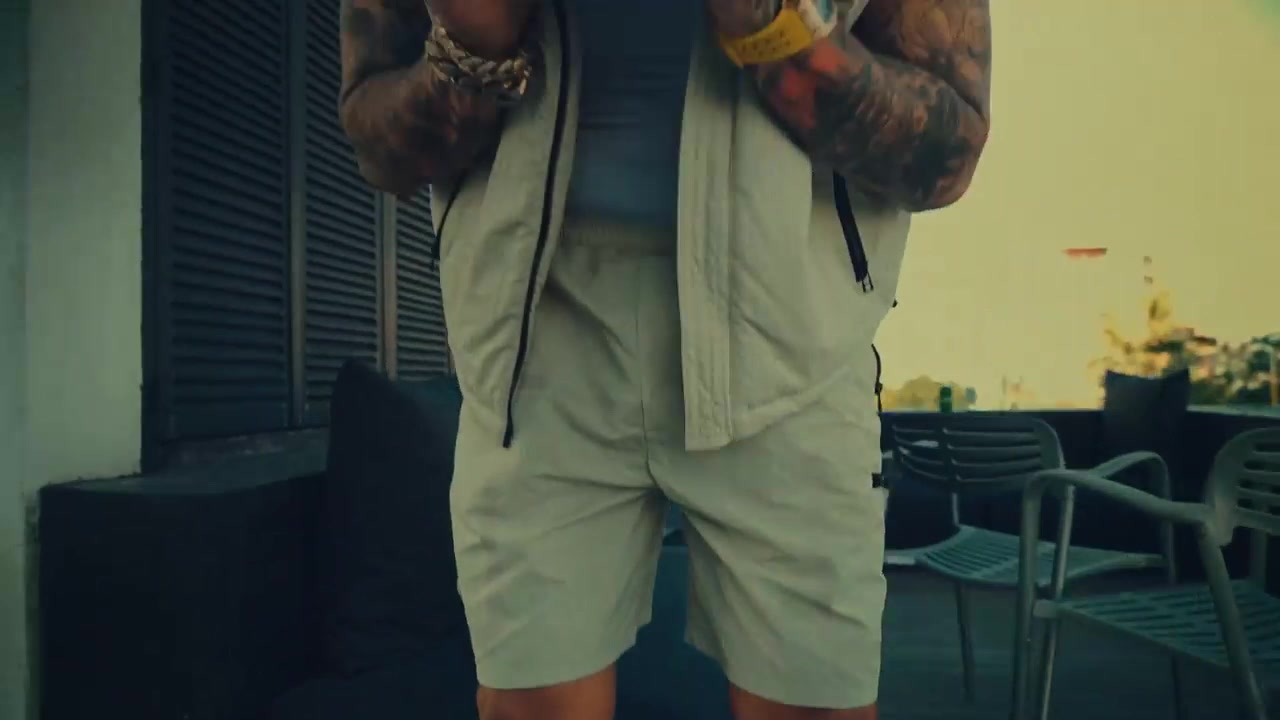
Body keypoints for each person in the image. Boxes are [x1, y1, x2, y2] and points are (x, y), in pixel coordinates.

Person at [338, 0, 991, 718]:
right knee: (532, 706)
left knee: (815, 704)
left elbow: (947, 157)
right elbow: (378, 148)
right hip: (536, 335)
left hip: (792, 337)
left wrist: (776, 27)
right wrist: (472, 45)